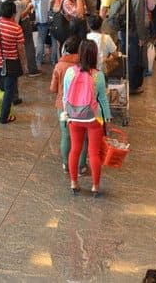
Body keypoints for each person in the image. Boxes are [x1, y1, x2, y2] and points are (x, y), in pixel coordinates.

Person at [63, 39, 112, 196]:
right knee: (93, 153)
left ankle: (73, 183)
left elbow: (65, 97)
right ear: (94, 56)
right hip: (93, 118)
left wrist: (68, 115)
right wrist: (107, 119)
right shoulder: (98, 76)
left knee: (75, 150)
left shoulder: (70, 72)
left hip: (74, 117)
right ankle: (95, 187)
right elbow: (103, 99)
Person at [51, 34, 87, 176]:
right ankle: (81, 166)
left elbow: (53, 89)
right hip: (82, 107)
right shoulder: (84, 66)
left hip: (62, 106)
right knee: (82, 138)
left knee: (66, 136)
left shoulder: (59, 66)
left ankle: (66, 164)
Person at [0, 0, 24, 124]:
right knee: (9, 91)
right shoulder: (17, 29)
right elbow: (20, 49)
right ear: (13, 13)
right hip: (11, 64)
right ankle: (4, 117)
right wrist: (23, 63)